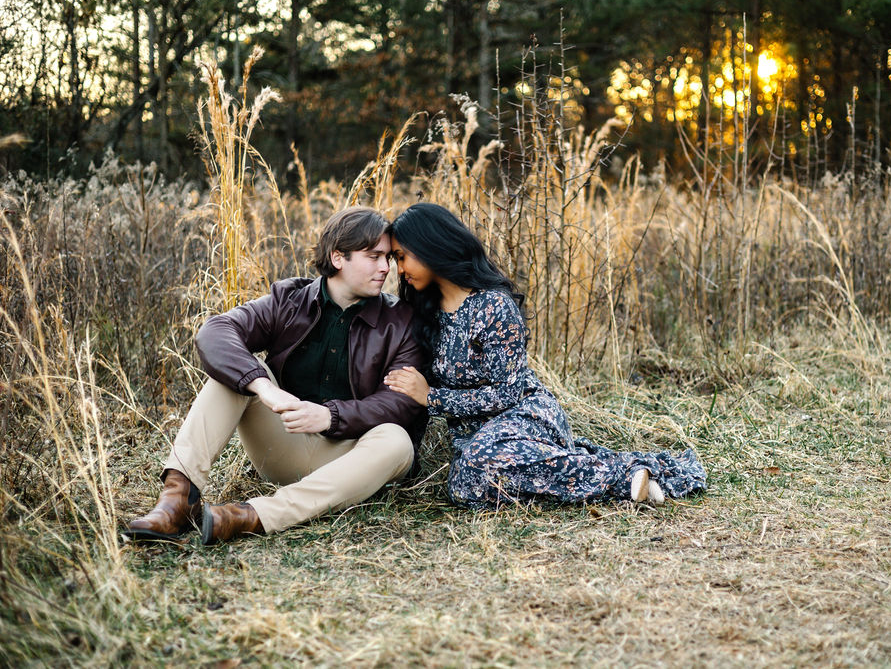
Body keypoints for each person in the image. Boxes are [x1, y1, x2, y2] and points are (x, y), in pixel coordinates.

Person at [123, 206, 426, 545]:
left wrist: (329, 416)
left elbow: (400, 404)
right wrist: (264, 388)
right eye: (374, 257)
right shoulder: (290, 300)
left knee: (397, 441)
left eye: (388, 257)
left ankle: (249, 516)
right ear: (338, 257)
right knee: (238, 374)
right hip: (285, 446)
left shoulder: (401, 322)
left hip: (354, 459)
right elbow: (217, 330)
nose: (386, 268)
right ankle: (176, 501)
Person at [383, 203, 706, 508]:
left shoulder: (493, 306)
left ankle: (630, 475)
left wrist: (434, 398)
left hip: (524, 415)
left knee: (474, 467)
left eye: (402, 257)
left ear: (430, 247)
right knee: (465, 486)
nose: (399, 269)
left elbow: (507, 393)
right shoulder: (425, 313)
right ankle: (622, 476)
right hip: (479, 439)